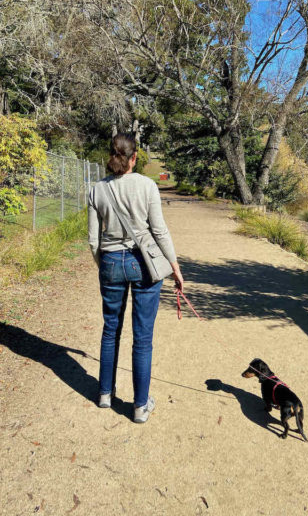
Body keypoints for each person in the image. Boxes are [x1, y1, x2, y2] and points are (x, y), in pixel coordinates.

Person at [88, 133, 184, 423]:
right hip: (143, 264)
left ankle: (105, 393)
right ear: (134, 158)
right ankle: (140, 406)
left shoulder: (96, 190)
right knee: (142, 338)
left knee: (110, 330)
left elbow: (94, 240)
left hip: (110, 261)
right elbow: (159, 231)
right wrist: (175, 267)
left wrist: (102, 264)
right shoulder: (147, 186)